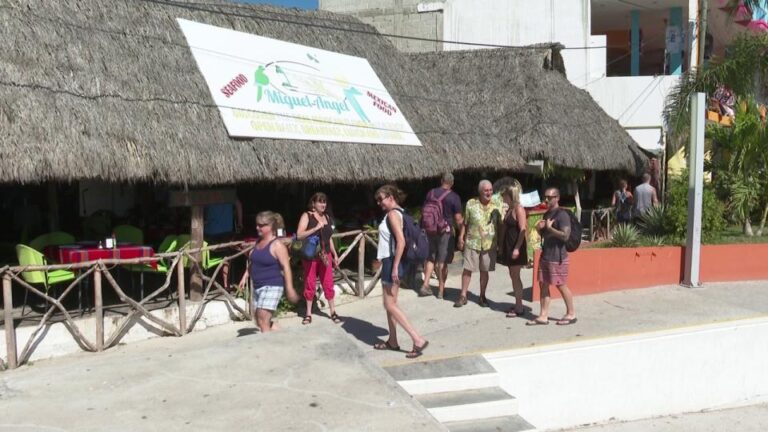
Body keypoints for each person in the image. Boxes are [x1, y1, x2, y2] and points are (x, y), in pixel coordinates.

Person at [372, 185, 429, 359]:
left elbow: (401, 241)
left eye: (381, 199)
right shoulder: (400, 212)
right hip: (393, 261)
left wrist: (395, 266)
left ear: (391, 197)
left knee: (390, 304)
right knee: (391, 303)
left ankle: (417, 339)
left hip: (392, 262)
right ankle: (393, 341)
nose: (379, 203)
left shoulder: (392, 214)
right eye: (378, 200)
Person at [237, 211, 299, 332]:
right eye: (257, 224)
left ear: (270, 227)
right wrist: (245, 276)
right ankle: (282, 335)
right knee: (258, 319)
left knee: (262, 318)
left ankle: (267, 347)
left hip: (272, 285)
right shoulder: (258, 242)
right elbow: (253, 262)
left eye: (261, 225)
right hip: (258, 286)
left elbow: (286, 267)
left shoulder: (277, 245)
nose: (257, 227)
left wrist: (290, 288)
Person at [527, 188, 577, 326]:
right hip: (546, 255)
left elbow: (565, 236)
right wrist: (541, 229)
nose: (547, 199)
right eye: (546, 197)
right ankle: (543, 315)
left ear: (557, 198)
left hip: (558, 257)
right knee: (543, 285)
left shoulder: (562, 215)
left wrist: (550, 229)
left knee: (561, 285)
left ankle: (571, 313)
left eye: (550, 197)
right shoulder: (548, 213)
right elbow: (547, 235)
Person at [455, 180, 503, 308]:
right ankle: (463, 295)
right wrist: (461, 237)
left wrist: (501, 244)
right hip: (472, 242)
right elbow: (466, 223)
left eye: (491, 190)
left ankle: (482, 296)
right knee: (467, 269)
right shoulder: (471, 204)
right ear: (480, 191)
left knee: (484, 270)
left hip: (489, 244)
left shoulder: (497, 204)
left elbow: (501, 225)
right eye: (486, 190)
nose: (489, 193)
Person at [296, 192, 341, 325]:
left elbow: (329, 238)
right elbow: (299, 235)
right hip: (311, 256)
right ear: (313, 204)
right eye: (320, 202)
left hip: (325, 255)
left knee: (328, 282)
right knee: (310, 283)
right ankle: (308, 314)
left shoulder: (327, 217)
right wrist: (315, 228)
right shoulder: (307, 216)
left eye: (324, 202)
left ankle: (333, 311)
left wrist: (334, 254)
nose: (323, 204)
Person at [419, 173, 463, 299]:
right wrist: (463, 232)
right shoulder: (454, 197)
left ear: (441, 180)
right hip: (445, 232)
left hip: (430, 229)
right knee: (442, 261)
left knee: (430, 257)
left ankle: (425, 285)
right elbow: (458, 219)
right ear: (452, 183)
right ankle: (441, 290)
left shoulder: (430, 193)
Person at [496, 181, 528, 318]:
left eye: (504, 196)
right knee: (513, 276)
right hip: (509, 245)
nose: (503, 199)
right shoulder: (510, 209)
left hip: (516, 246)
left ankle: (519, 306)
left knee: (515, 276)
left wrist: (517, 248)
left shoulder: (519, 209)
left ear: (510, 196)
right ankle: (518, 303)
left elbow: (523, 229)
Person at [204, 198, 243, 289]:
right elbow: (239, 204)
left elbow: (201, 208)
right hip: (225, 230)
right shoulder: (228, 193)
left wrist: (204, 219)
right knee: (226, 257)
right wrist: (240, 222)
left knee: (217, 256)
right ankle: (226, 284)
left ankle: (207, 282)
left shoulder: (207, 194)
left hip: (210, 231)